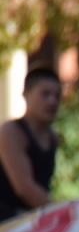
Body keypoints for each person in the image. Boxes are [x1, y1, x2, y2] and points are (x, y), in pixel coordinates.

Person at [0, 67, 61, 222]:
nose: (52, 101)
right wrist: (62, 212)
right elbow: (24, 189)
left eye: (57, 96)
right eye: (45, 94)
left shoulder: (52, 137)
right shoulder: (11, 131)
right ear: (26, 94)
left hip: (31, 219)